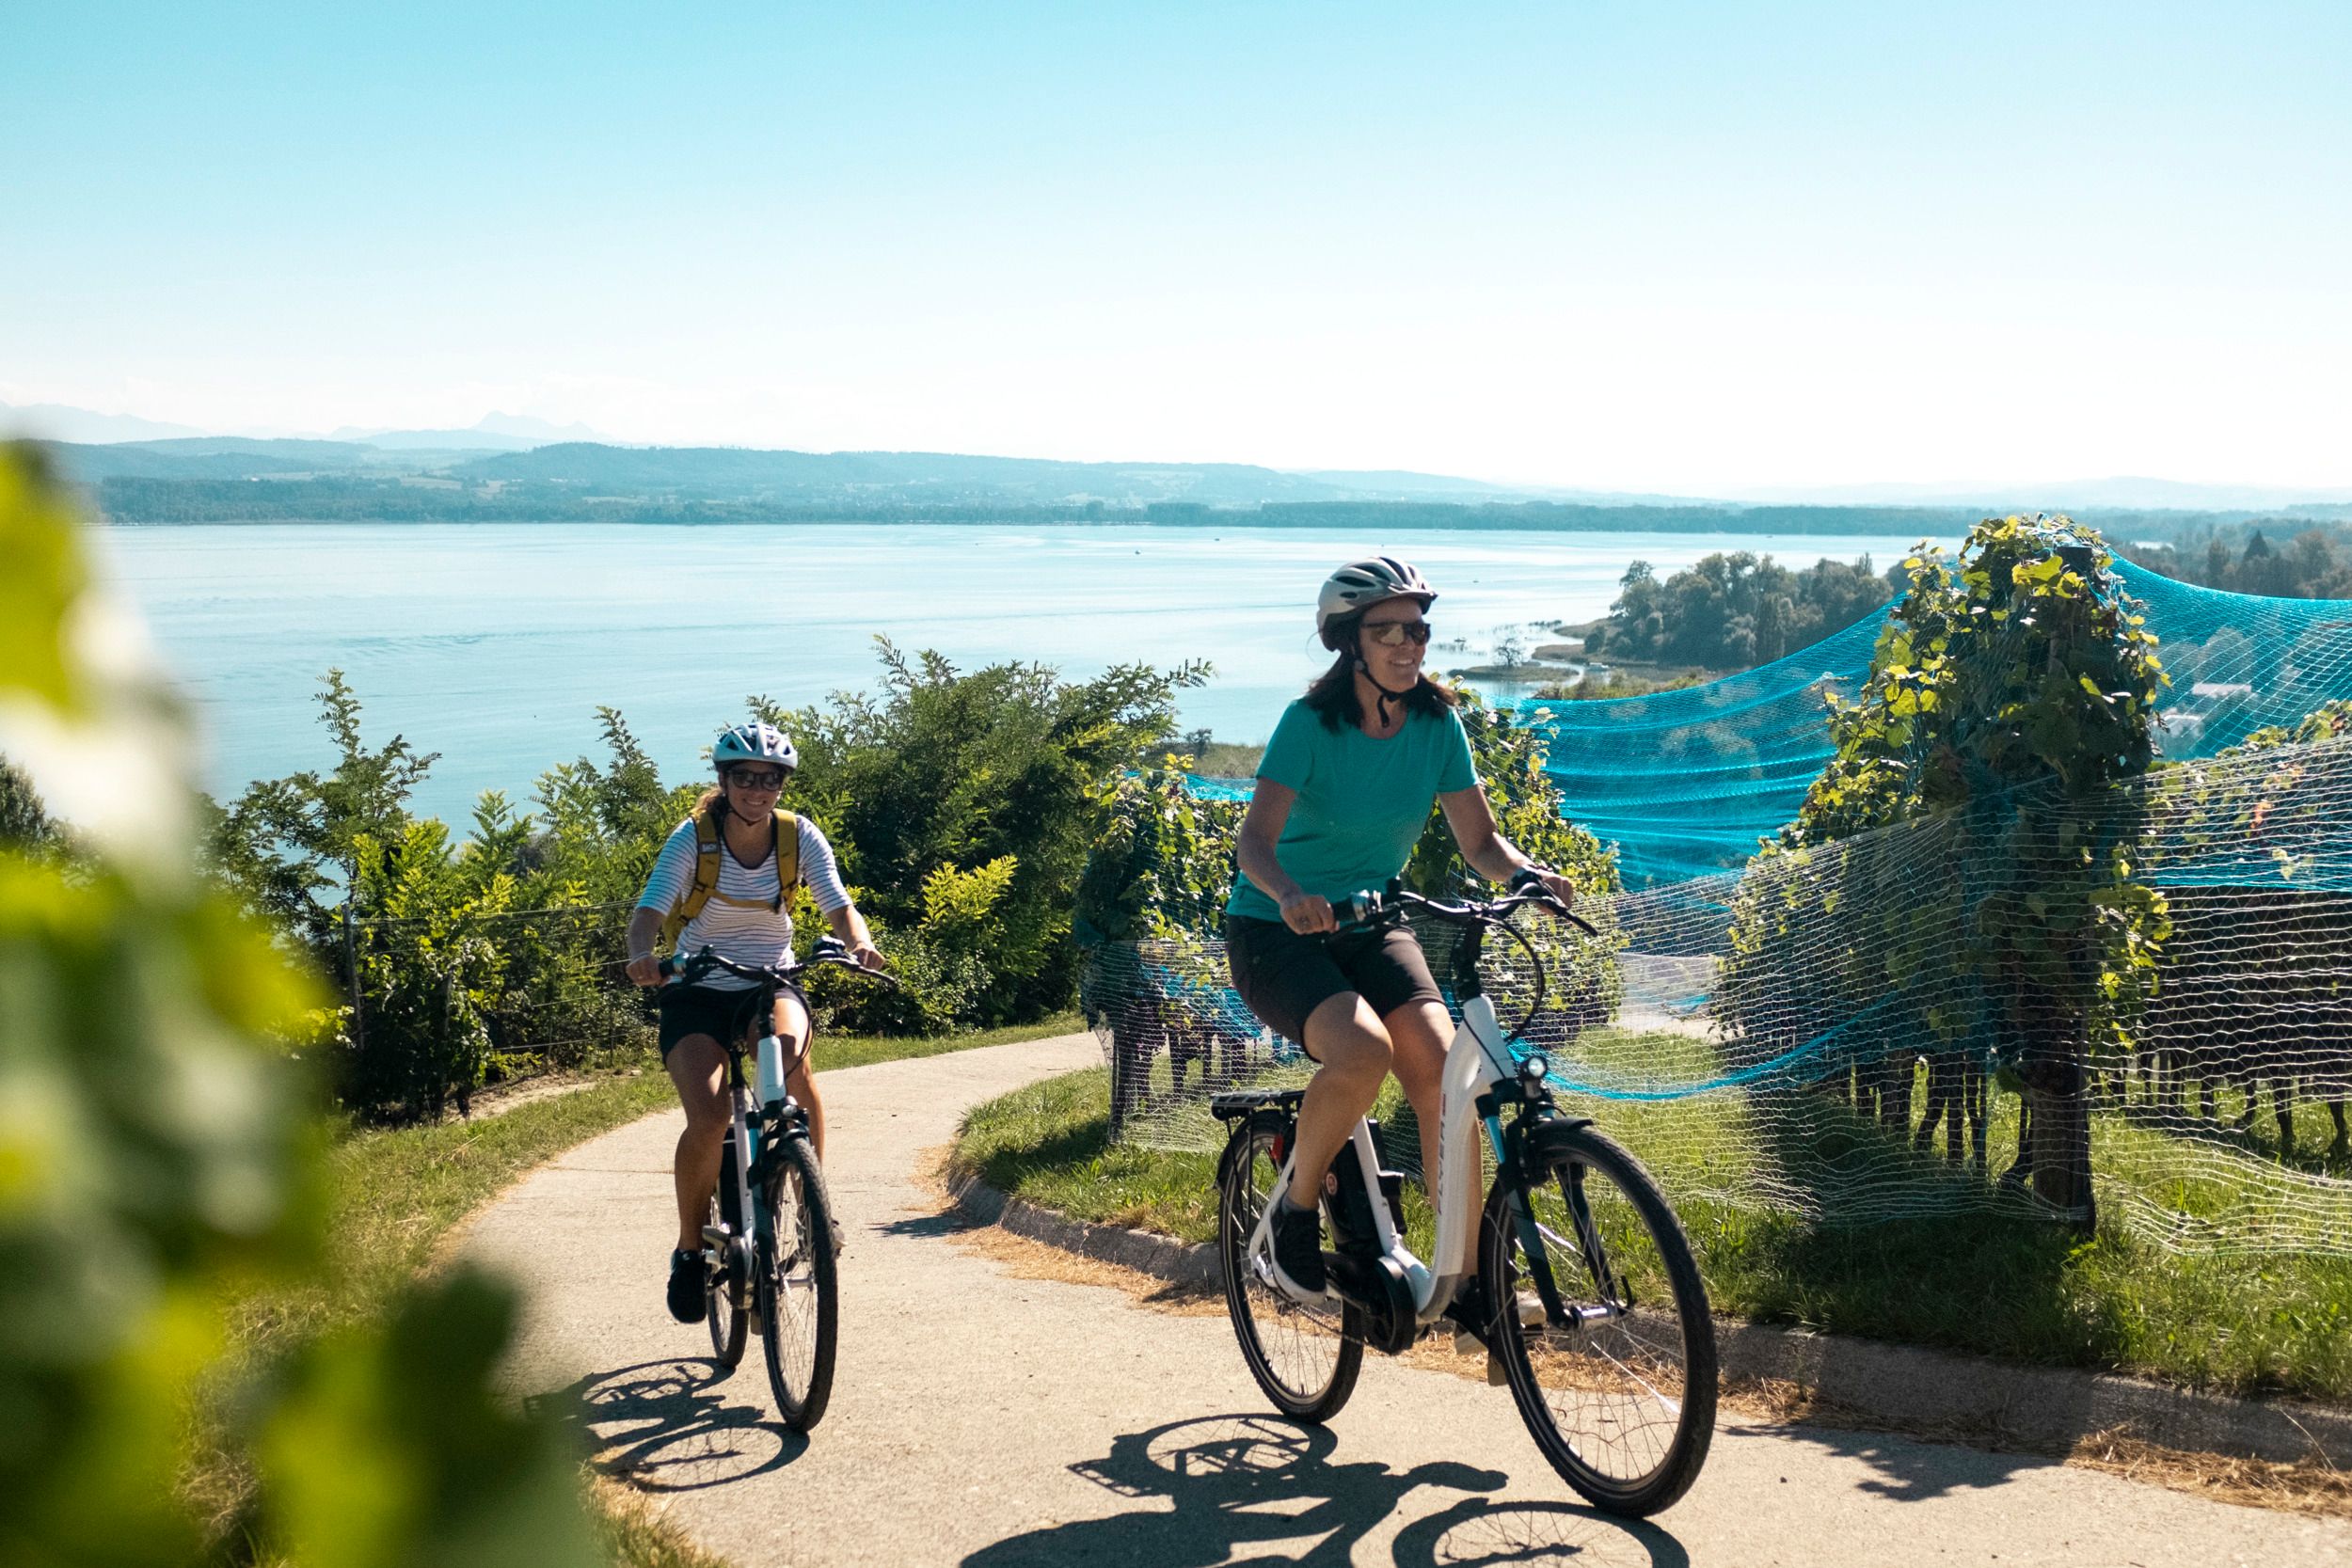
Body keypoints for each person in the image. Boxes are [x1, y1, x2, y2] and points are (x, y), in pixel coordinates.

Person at [1225, 557, 1578, 1300]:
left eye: (1418, 628)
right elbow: (1253, 843)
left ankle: (1469, 1276)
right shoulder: (1309, 725)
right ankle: (1293, 1215)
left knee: (1445, 1071)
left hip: (1369, 918)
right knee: (1363, 1051)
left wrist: (1528, 875)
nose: (1409, 643)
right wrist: (1289, 893)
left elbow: (1480, 843)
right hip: (1274, 930)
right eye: (1389, 630)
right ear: (1351, 642)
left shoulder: (1436, 724)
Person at [626, 721, 883, 1323]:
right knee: (710, 1115)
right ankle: (690, 1250)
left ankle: (811, 1210)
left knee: (796, 1072)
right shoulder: (692, 839)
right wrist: (642, 955)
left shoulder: (799, 837)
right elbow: (649, 911)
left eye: (770, 779)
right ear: (725, 780)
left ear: (781, 784)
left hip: (770, 980)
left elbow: (838, 905)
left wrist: (859, 944)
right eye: (745, 778)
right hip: (696, 988)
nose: (758, 789)